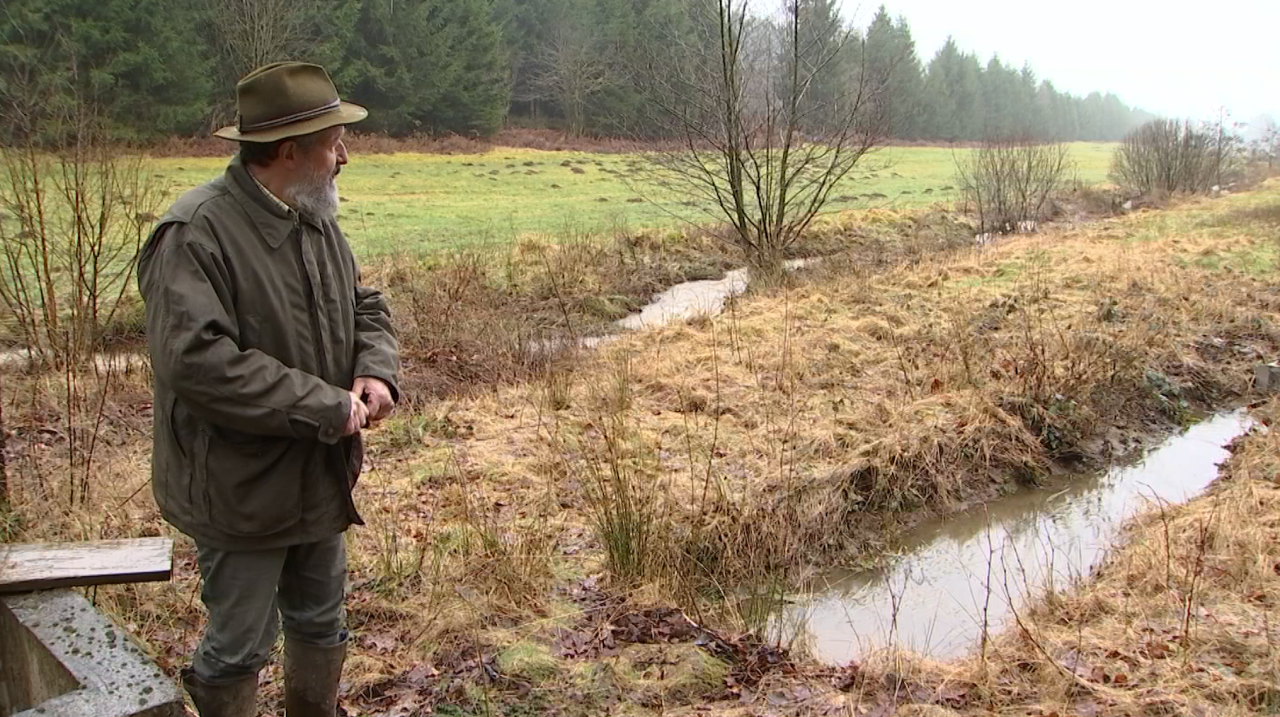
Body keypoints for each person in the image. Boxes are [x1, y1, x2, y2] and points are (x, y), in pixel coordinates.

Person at [138, 61, 400, 717]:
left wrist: (374, 369)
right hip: (240, 490)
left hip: (319, 475)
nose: (345, 156)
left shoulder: (313, 217)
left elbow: (363, 304)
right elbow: (197, 361)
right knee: (238, 647)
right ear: (290, 150)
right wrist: (323, 405)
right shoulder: (195, 234)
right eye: (334, 141)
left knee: (320, 620)